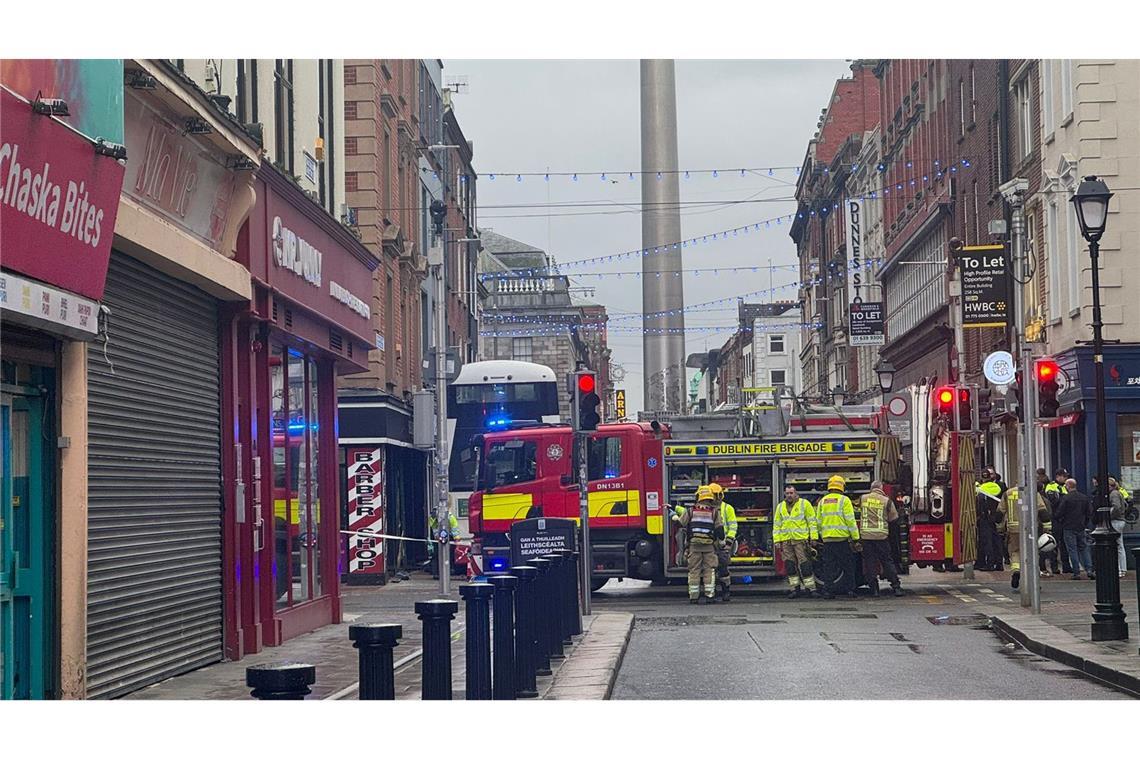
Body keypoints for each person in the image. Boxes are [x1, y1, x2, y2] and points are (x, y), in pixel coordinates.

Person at [995, 483, 1051, 590]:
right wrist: (1047, 528)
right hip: (1031, 528)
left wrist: (1000, 528)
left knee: (1015, 551)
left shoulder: (1008, 493)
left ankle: (1016, 570)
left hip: (1013, 529)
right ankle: (1033, 581)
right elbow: (1043, 512)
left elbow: (999, 513)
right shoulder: (1033, 493)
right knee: (1032, 554)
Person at [678, 485, 725, 603]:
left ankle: (694, 597)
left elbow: (681, 523)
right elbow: (720, 530)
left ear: (698, 497)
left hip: (694, 547)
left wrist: (673, 515)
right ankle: (710, 596)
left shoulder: (690, 511)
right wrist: (722, 540)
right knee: (709, 570)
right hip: (709, 547)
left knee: (694, 571)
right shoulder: (714, 512)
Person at [816, 475, 860, 599]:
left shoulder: (823, 501)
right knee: (848, 565)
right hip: (842, 540)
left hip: (827, 540)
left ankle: (828, 592)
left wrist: (821, 536)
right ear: (841, 486)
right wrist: (856, 538)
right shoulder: (844, 500)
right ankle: (850, 590)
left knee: (828, 567)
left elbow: (818, 521)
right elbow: (850, 521)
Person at [773, 485, 819, 598]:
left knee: (805, 566)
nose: (789, 495)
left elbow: (812, 522)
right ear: (785, 494)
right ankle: (795, 589)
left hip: (800, 541)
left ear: (796, 493)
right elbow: (777, 525)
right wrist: (777, 540)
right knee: (790, 566)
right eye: (787, 493)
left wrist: (813, 537)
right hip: (786, 541)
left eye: (791, 493)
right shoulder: (780, 507)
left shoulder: (804, 504)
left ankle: (811, 589)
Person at [858, 481, 903, 597]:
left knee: (870, 563)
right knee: (887, 561)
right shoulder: (886, 501)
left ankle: (874, 590)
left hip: (866, 537)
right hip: (881, 536)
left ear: (871, 488)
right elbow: (894, 518)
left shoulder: (863, 498)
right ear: (881, 488)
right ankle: (896, 586)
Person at [1054, 478, 1095, 580]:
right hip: (1080, 526)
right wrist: (1084, 523)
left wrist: (1060, 521)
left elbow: (1059, 513)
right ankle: (1089, 569)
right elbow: (1089, 512)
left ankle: (1076, 572)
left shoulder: (1066, 498)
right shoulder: (1084, 497)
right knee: (1084, 548)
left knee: (1072, 550)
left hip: (1068, 527)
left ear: (1068, 486)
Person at [707, 483, 739, 602]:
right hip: (710, 542)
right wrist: (675, 508)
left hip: (723, 543)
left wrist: (729, 541)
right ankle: (712, 593)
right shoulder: (707, 508)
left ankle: (726, 591)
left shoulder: (727, 508)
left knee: (723, 568)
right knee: (710, 569)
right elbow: (688, 512)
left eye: (717, 495)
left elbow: (733, 525)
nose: (716, 497)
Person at [975, 471, 1004, 571]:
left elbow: (980, 504)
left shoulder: (981, 489)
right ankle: (999, 564)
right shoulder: (999, 487)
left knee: (987, 541)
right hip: (997, 517)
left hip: (985, 518)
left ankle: (989, 564)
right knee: (997, 540)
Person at [1044, 469, 1072, 574]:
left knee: (1065, 544)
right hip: (1055, 519)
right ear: (1058, 477)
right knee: (1054, 544)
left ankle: (1066, 566)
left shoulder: (1066, 486)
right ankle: (1054, 566)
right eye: (1064, 476)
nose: (1065, 478)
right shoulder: (1051, 486)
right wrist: (1064, 497)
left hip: (1065, 519)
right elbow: (1054, 501)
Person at [428, 510, 461, 578]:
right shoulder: (432, 518)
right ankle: (437, 573)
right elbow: (434, 527)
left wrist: (456, 537)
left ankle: (450, 569)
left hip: (449, 535)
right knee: (437, 554)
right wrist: (436, 535)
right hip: (439, 535)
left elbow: (454, 527)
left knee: (450, 553)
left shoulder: (450, 517)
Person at [1109, 478, 1129, 578]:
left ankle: (1120, 569)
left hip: (1116, 521)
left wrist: (1109, 515)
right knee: (1119, 545)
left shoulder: (1114, 494)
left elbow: (1116, 507)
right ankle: (1122, 568)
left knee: (1117, 546)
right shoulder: (1118, 493)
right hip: (1120, 520)